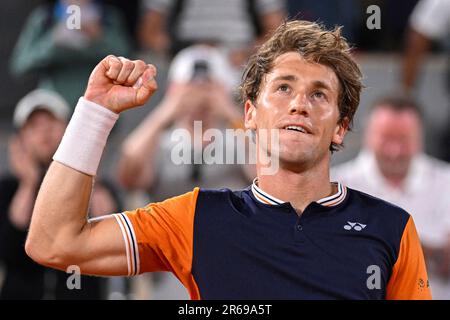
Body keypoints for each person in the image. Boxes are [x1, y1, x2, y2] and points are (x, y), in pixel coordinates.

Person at [26, 21, 431, 299]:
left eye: (319, 94)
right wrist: (95, 113)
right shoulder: (195, 217)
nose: (300, 105)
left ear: (340, 128)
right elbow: (54, 242)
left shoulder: (391, 228)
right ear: (251, 115)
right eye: (284, 88)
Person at [0, 89, 121, 299]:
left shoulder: (94, 185)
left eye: (52, 123)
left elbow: (109, 239)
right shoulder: (8, 188)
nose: (44, 132)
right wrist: (29, 184)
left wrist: (90, 172)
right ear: (20, 141)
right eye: (34, 127)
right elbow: (9, 250)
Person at [331, 95, 450, 299]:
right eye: (386, 138)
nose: (394, 151)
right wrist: (419, 250)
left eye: (404, 139)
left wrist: (379, 244)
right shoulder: (335, 184)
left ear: (420, 137)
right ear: (367, 135)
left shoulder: (446, 181)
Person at [10, 0, 130, 107]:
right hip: (54, 110)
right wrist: (53, 41)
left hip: (97, 105)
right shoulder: (45, 17)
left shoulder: (108, 17)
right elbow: (20, 64)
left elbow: (126, 57)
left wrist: (99, 37)